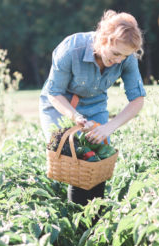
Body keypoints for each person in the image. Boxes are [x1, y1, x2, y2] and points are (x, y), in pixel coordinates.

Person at [39, 10, 146, 206]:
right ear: (104, 39)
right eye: (115, 54)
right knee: (73, 155)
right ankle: (77, 217)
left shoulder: (126, 58)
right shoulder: (71, 49)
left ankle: (94, 216)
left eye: (124, 56)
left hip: (94, 105)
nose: (119, 60)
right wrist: (75, 116)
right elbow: (54, 93)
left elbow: (137, 100)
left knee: (97, 160)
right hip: (61, 103)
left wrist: (109, 127)